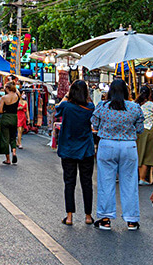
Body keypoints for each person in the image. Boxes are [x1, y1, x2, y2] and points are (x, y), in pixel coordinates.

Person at [91, 79, 144, 231]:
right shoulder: (134, 107)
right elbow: (140, 129)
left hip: (107, 144)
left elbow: (94, 125)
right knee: (129, 182)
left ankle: (105, 219)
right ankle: (132, 220)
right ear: (126, 92)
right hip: (128, 146)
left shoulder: (102, 106)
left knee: (105, 182)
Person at [55, 80, 95, 226]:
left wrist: (66, 95)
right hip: (86, 149)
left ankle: (70, 216)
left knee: (69, 183)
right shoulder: (90, 107)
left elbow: (57, 110)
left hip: (68, 149)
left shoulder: (66, 105)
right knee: (87, 183)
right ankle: (88, 216)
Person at [135, 86, 153, 186]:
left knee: (138, 153)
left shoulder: (134, 104)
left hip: (137, 131)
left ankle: (137, 177)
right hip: (149, 130)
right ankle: (142, 178)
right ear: (150, 94)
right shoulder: (152, 105)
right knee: (147, 155)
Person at [0, 82, 19, 165]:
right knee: (13, 136)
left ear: (7, 88)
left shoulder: (4, 98)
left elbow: (0, 110)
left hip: (6, 117)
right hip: (14, 117)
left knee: (5, 138)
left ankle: (8, 159)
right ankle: (14, 152)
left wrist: (4, 110)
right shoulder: (17, 96)